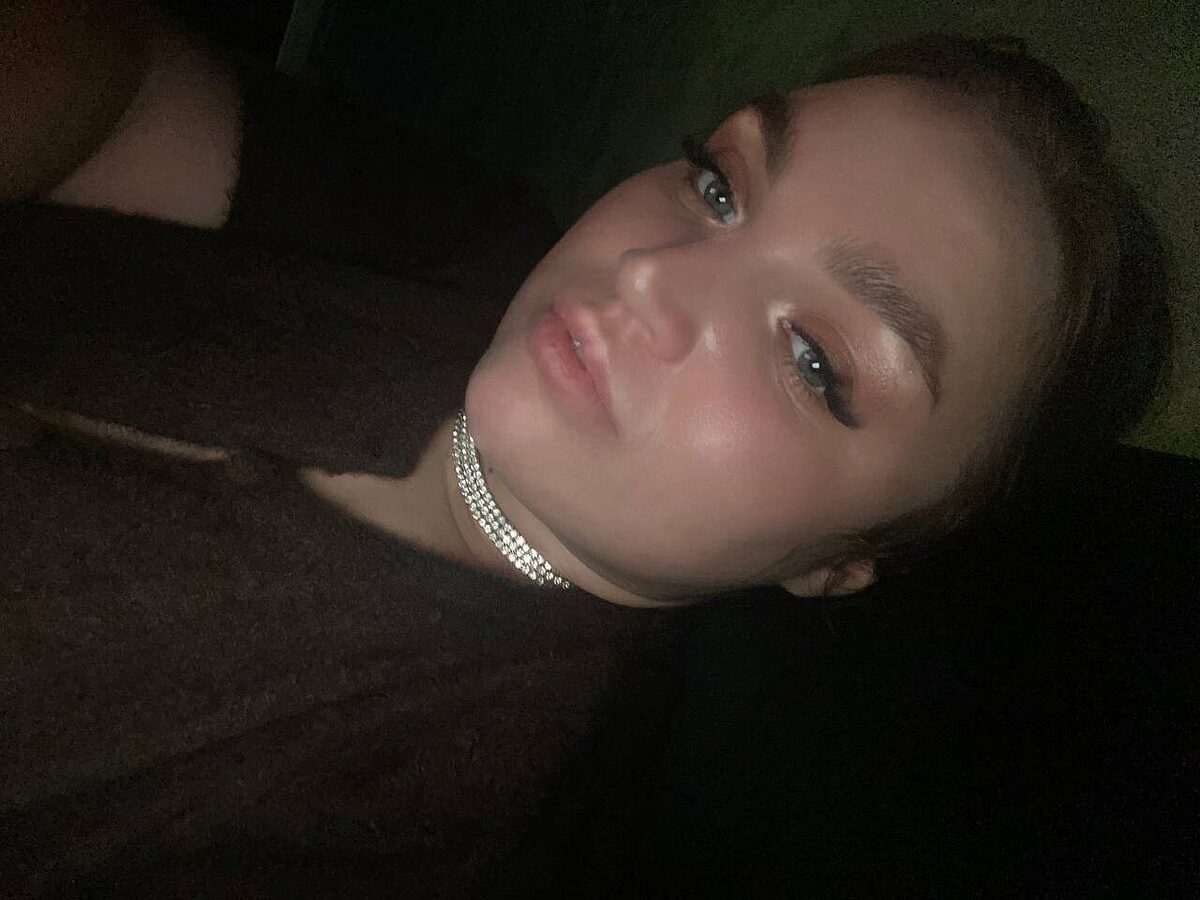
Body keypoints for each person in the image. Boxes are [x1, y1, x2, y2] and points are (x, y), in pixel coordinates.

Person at [0, 3, 1172, 894]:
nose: (653, 272)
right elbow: (122, 80)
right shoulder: (472, 244)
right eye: (720, 186)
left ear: (837, 563)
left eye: (816, 359)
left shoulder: (423, 818)